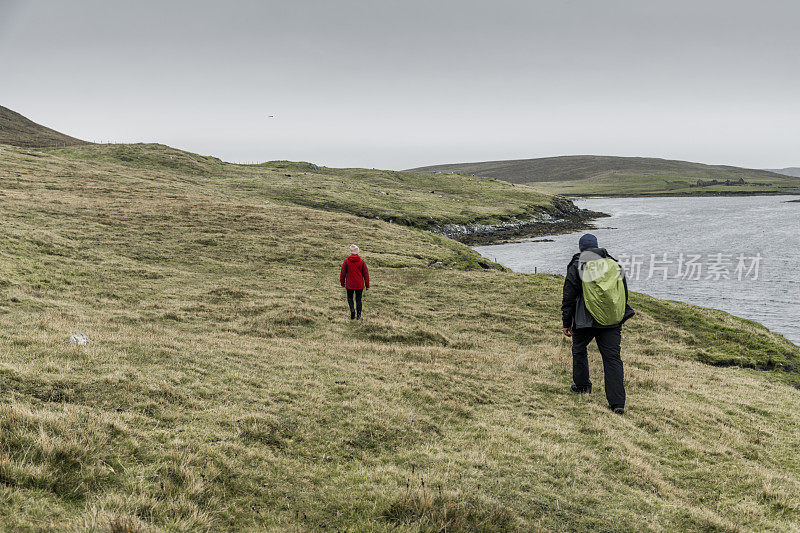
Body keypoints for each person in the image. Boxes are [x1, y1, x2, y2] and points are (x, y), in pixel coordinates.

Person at [561, 234, 635, 414]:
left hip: (584, 320)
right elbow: (622, 291)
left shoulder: (577, 264)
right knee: (612, 359)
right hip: (610, 321)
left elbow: (569, 295)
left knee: (579, 350)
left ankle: (582, 385)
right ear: (596, 246)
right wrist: (619, 314)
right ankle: (617, 403)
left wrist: (566, 322)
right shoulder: (613, 263)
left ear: (581, 249)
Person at [340, 244, 369, 320]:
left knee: (350, 298)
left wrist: (342, 283)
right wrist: (367, 285)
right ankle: (358, 316)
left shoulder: (346, 261)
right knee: (359, 300)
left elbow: (343, 273)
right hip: (359, 285)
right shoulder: (362, 261)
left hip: (350, 284)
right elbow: (366, 274)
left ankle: (352, 310)